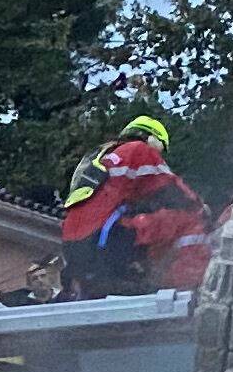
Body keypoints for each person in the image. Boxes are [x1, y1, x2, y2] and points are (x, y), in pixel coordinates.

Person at [61, 113, 213, 293]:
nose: (160, 156)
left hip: (76, 248)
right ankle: (188, 282)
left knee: (148, 223)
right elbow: (170, 188)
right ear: (150, 138)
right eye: (161, 149)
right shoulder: (139, 150)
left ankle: (135, 276)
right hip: (105, 240)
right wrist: (200, 206)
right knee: (189, 218)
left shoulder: (102, 158)